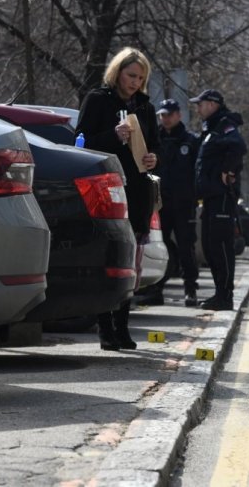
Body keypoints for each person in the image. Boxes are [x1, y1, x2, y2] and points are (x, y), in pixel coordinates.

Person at [76, 47, 159, 351]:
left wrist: (153, 158)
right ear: (117, 72)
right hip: (106, 188)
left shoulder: (146, 107)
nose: (135, 82)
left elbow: (156, 146)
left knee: (131, 262)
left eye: (140, 77)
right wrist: (114, 135)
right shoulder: (98, 99)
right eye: (130, 75)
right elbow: (81, 143)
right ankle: (105, 328)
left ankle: (122, 327)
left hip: (137, 190)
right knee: (109, 257)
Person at [191, 89, 247, 311]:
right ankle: (219, 294)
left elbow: (238, 146)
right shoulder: (211, 127)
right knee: (209, 246)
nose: (198, 108)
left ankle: (225, 297)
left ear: (213, 104)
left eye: (201, 104)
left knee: (221, 247)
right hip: (211, 196)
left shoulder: (224, 124)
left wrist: (228, 170)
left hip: (222, 196)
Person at [145, 98, 200, 307]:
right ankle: (156, 289)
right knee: (160, 246)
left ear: (178, 115)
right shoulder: (154, 140)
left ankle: (190, 289)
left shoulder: (190, 141)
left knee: (186, 246)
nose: (165, 118)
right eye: (162, 115)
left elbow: (197, 171)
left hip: (184, 203)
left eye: (169, 114)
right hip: (160, 202)